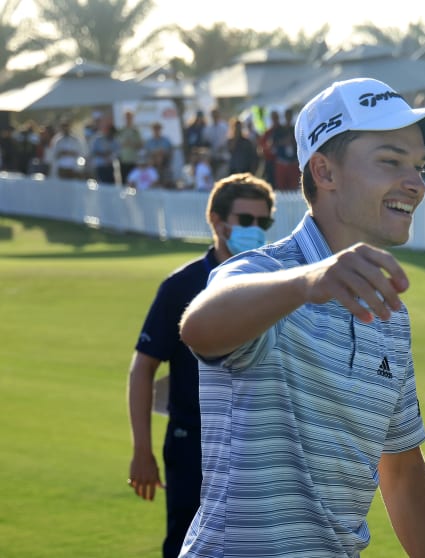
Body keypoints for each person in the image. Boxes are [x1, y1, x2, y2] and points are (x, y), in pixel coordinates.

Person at [178, 77, 425, 558]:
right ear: (325, 172)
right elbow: (200, 327)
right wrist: (308, 283)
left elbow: (402, 468)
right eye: (391, 161)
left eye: (419, 166)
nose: (416, 183)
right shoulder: (262, 272)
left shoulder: (390, 314)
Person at [128, 173, 276, 558]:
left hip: (259, 445)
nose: (255, 230)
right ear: (216, 220)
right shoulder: (182, 286)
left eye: (264, 223)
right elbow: (142, 369)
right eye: (246, 221)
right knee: (187, 546)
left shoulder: (278, 284)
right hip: (191, 442)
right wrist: (141, 450)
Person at [118, 110, 144, 179]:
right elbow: (118, 144)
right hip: (124, 160)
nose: (128, 119)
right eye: (126, 117)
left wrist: (131, 144)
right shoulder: (121, 131)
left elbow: (141, 145)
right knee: (124, 180)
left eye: (129, 117)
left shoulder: (136, 131)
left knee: (134, 179)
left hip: (134, 160)